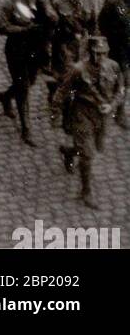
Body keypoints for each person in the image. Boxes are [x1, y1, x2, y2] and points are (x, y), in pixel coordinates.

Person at [52, 35, 125, 208]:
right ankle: (86, 192)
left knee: (96, 148)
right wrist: (55, 114)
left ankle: (70, 152)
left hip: (103, 116)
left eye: (104, 53)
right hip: (82, 114)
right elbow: (62, 92)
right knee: (88, 155)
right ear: (90, 52)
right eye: (97, 53)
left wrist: (112, 106)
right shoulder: (79, 70)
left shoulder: (113, 66)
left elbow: (121, 90)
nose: (100, 57)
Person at [0, 0, 55, 147]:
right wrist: (23, 29)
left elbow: (54, 18)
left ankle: (6, 97)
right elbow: (2, 27)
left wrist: (49, 14)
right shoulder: (10, 2)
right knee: (23, 88)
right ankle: (26, 129)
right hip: (17, 49)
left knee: (29, 82)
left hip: (36, 49)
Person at [97, 0, 130, 127]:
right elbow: (101, 24)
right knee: (123, 80)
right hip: (118, 49)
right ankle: (120, 111)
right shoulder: (112, 3)